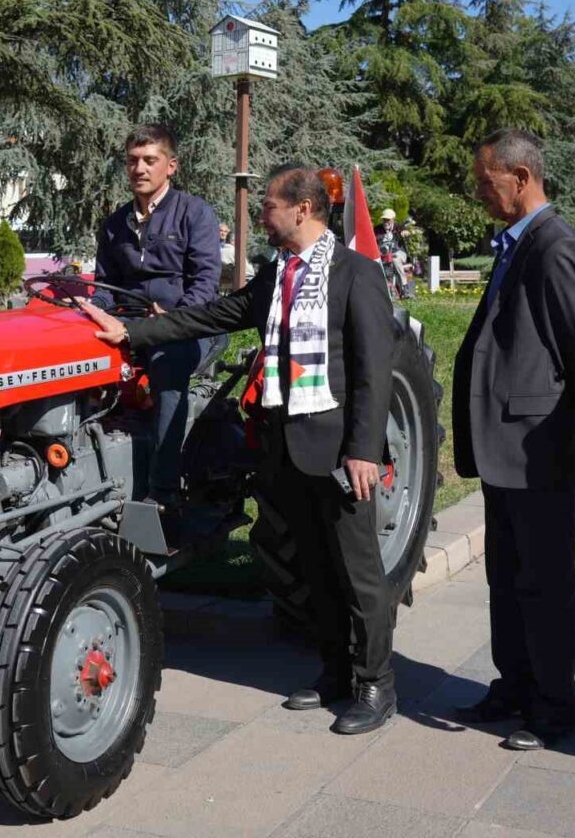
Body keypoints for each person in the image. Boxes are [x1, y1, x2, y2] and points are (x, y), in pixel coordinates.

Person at [82, 166, 400, 735]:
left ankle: (376, 684)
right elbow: (216, 314)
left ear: (302, 209)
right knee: (316, 569)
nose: (261, 217)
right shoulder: (278, 274)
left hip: (337, 451)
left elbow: (373, 372)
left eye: (269, 207)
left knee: (358, 573)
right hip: (286, 448)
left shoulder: (356, 274)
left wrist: (364, 450)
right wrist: (132, 334)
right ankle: (335, 671)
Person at [452, 128, 575, 751]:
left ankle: (554, 705)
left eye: (485, 182)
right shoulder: (518, 241)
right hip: (505, 446)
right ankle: (514, 685)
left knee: (544, 581)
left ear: (520, 178)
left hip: (538, 446)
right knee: (507, 576)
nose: (479, 193)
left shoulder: (554, 244)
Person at [91, 125, 220, 512]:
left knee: (168, 362)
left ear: (171, 166)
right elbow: (105, 287)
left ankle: (162, 491)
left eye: (150, 160)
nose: (140, 168)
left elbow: (205, 283)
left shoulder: (194, 213)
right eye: (133, 161)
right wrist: (91, 312)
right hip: (131, 325)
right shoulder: (115, 224)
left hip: (190, 326)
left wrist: (173, 320)